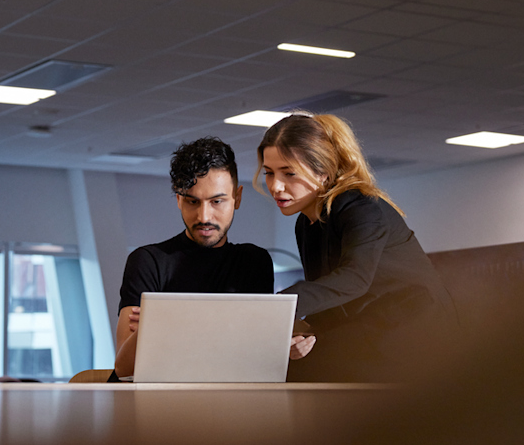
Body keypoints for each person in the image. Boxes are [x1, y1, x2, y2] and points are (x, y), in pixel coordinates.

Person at [256, 113, 455, 382]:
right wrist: (307, 332)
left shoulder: (362, 208)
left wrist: (276, 308)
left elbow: (354, 280)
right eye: (269, 173)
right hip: (374, 326)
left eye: (289, 173)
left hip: (416, 329)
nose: (275, 186)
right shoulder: (306, 223)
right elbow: (329, 294)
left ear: (322, 172)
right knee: (291, 366)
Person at [113, 137, 273, 379]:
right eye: (192, 201)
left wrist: (161, 325)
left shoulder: (254, 261)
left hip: (228, 402)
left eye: (217, 201)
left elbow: (256, 357)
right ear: (179, 199)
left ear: (237, 198)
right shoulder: (147, 261)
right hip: (154, 405)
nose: (204, 215)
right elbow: (124, 368)